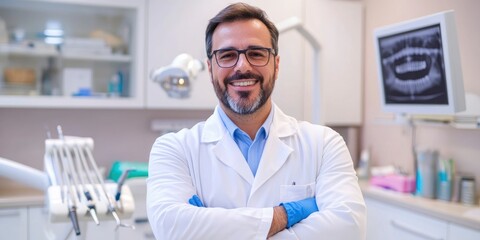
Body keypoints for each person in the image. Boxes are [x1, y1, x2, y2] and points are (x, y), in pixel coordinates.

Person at [146, 2, 366, 239]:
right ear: (209, 69)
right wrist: (284, 216)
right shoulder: (174, 149)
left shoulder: (324, 144)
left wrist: (211, 228)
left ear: (276, 65)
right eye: (227, 55)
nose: (243, 66)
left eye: (256, 54)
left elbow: (349, 228)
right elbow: (170, 228)